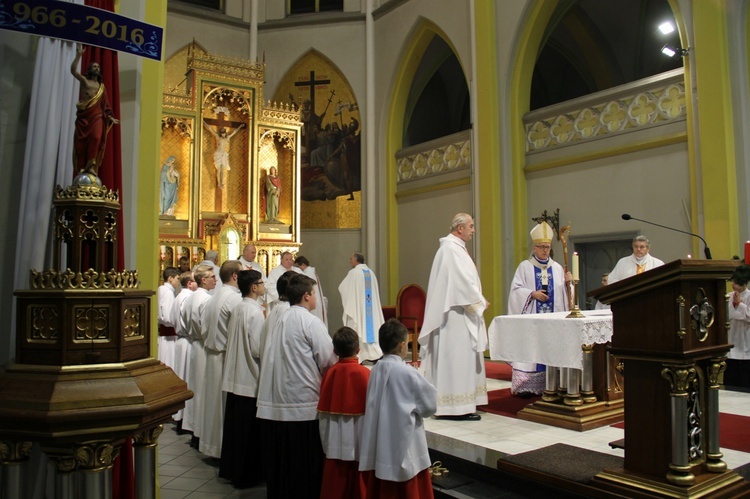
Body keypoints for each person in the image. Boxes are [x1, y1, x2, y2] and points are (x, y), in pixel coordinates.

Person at [257, 274, 337, 499]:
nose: (316, 299)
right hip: (302, 404)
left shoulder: (276, 316)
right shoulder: (310, 321)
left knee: (281, 465)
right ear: (306, 296)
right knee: (303, 467)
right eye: (313, 294)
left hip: (275, 402)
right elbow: (328, 359)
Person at [419, 214, 488, 419]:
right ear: (459, 228)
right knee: (456, 359)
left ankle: (464, 402)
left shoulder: (455, 248)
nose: (473, 230)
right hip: (454, 316)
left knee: (462, 358)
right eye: (471, 226)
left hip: (458, 313)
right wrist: (479, 301)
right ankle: (455, 407)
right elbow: (461, 283)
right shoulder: (450, 250)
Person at [359, 319, 437, 498]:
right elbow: (429, 405)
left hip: (381, 445)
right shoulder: (407, 372)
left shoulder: (375, 370)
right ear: (403, 345)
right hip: (404, 445)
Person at [507, 221, 572, 396]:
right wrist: (532, 294)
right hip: (533, 321)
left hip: (553, 320)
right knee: (532, 348)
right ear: (534, 248)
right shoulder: (525, 267)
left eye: (547, 247)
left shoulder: (557, 268)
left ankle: (553, 384)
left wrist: (569, 284)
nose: (545, 250)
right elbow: (515, 291)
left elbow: (567, 297)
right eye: (541, 247)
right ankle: (526, 386)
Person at [219, 270, 266, 488]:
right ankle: (247, 475)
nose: (264, 286)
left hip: (235, 375)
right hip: (250, 378)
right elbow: (257, 349)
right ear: (253, 288)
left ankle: (232, 470)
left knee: (235, 431)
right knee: (248, 433)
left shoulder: (239, 308)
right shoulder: (255, 313)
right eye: (261, 283)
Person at [317, 327, 370, 499]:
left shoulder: (330, 373)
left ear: (334, 350)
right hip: (360, 440)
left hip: (335, 439)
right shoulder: (365, 374)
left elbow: (324, 414)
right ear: (358, 349)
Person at [199, 260, 242, 458]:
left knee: (212, 405)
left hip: (211, 355)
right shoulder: (234, 299)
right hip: (224, 356)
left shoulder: (214, 296)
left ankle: (211, 445)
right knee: (222, 407)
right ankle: (222, 449)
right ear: (235, 276)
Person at [180, 264, 216, 441]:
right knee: (202, 389)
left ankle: (192, 426)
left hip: (194, 344)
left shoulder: (191, 297)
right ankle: (200, 431)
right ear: (203, 280)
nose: (215, 280)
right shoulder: (206, 300)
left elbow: (187, 321)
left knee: (194, 386)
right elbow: (207, 326)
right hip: (203, 345)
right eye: (212, 277)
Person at [70, 44, 119, 177]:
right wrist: (79, 55)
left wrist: (111, 117)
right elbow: (73, 71)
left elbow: (106, 105)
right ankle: (82, 167)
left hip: (97, 116)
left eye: (98, 67)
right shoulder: (85, 81)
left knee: (96, 137)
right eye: (94, 67)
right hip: (84, 117)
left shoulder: (101, 87)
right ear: (89, 70)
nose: (96, 68)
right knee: (81, 144)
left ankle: (91, 166)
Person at [338, 252, 384, 363]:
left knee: (358, 326)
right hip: (370, 310)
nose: (350, 260)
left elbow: (342, 288)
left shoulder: (353, 273)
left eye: (351, 258)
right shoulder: (371, 273)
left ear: (356, 260)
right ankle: (375, 354)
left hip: (359, 309)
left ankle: (360, 355)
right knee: (370, 327)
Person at [170, 271, 197, 431]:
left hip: (181, 340)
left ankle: (179, 416)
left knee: (182, 377)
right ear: (189, 283)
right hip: (187, 340)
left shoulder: (179, 296)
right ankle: (184, 418)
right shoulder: (187, 297)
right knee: (187, 380)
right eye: (195, 281)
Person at [726, 265, 750, 389]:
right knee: (731, 383)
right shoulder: (728, 296)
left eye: (736, 282)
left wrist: (740, 305)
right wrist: (737, 309)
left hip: (746, 344)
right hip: (731, 342)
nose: (733, 284)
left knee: (745, 384)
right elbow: (728, 315)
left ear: (744, 283)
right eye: (733, 281)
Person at [203, 121, 246, 189]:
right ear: (221, 133)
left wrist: (240, 126)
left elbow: (234, 132)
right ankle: (219, 183)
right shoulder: (218, 137)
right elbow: (210, 128)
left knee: (222, 170)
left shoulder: (227, 138)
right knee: (219, 170)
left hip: (223, 154)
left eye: (224, 133)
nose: (223, 134)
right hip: (218, 154)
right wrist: (203, 121)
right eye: (222, 133)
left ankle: (221, 183)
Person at [157, 267, 181, 370]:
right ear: (170, 278)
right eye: (177, 278)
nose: (179, 282)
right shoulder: (168, 292)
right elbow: (167, 317)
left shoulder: (160, 289)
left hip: (163, 331)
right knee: (169, 361)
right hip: (168, 334)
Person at [296, 255, 328, 328]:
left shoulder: (308, 274)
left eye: (298, 266)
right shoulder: (312, 272)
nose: (298, 269)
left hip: (311, 300)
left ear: (303, 265)